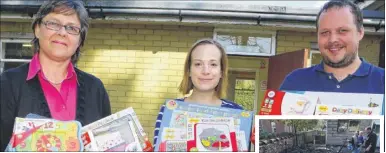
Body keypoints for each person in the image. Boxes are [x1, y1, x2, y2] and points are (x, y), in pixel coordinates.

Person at [0, 0, 111, 150]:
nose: (62, 32)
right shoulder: (7, 84)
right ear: (37, 29)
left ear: (80, 40)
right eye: (53, 24)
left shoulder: (95, 88)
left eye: (72, 28)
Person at [279, 0, 384, 94]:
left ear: (360, 33)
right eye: (325, 32)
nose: (332, 39)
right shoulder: (295, 81)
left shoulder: (382, 81)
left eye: (342, 31)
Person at [153, 39, 243, 146]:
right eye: (198, 64)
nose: (205, 71)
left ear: (221, 72)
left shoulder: (237, 112)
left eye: (213, 64)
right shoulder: (170, 109)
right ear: (189, 71)